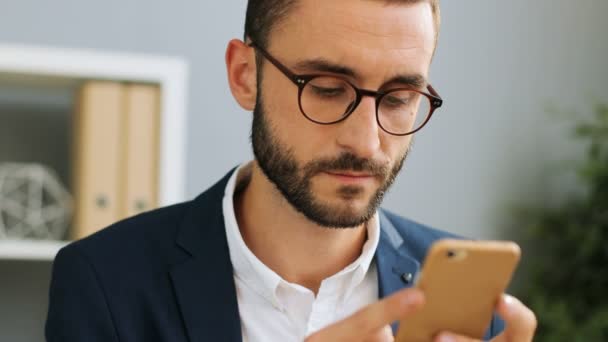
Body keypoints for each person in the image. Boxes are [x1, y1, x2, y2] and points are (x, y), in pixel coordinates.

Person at [45, 0, 537, 341]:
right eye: (326, 88)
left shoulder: (463, 293)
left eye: (400, 98)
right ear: (245, 76)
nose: (366, 142)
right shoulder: (106, 281)